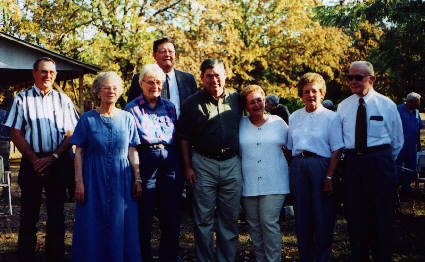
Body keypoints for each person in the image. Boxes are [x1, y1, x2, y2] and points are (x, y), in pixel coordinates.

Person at [4, 57, 79, 262]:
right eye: (44, 71)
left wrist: (54, 157)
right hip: (31, 162)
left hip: (59, 161)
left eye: (52, 72)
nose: (48, 76)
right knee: (29, 214)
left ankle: (55, 256)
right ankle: (25, 256)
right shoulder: (22, 98)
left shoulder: (63, 99)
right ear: (34, 73)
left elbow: (72, 132)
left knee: (57, 214)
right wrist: (35, 160)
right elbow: (15, 132)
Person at [71, 72, 142, 262]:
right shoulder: (87, 119)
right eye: (106, 87)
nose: (111, 91)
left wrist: (137, 178)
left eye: (115, 88)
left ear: (120, 92)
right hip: (93, 178)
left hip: (122, 179)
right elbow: (79, 152)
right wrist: (79, 183)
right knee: (92, 222)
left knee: (121, 222)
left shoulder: (128, 118)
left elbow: (132, 149)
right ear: (98, 92)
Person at [177, 58, 242, 262]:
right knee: (203, 220)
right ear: (202, 78)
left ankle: (226, 259)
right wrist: (188, 168)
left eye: (217, 75)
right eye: (209, 75)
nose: (214, 79)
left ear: (225, 75)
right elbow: (184, 138)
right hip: (203, 164)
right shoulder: (191, 103)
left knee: (229, 219)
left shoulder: (237, 99)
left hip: (232, 163)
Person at [337, 61, 403, 262]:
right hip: (352, 166)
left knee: (381, 219)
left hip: (379, 165)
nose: (353, 81)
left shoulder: (387, 105)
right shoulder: (343, 106)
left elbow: (397, 141)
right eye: (350, 77)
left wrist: (380, 162)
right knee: (355, 219)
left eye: (359, 77)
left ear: (372, 79)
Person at [125, 64, 182, 262]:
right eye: (150, 82)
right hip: (146, 158)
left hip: (170, 159)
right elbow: (131, 144)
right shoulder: (131, 108)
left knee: (171, 214)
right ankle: (143, 256)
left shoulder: (169, 106)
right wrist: (137, 176)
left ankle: (170, 256)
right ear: (141, 83)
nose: (155, 86)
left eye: (158, 82)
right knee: (144, 214)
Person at [287, 72, 344, 262]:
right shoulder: (294, 116)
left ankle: (322, 257)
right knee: (302, 216)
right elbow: (288, 147)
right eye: (306, 91)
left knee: (323, 216)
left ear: (322, 94)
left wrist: (329, 177)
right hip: (298, 166)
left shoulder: (331, 117)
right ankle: (306, 257)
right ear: (300, 94)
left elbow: (337, 149)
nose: (310, 95)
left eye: (314, 91)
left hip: (321, 166)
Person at [239, 85, 290, 262]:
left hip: (275, 182)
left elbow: (290, 149)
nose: (256, 105)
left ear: (265, 101)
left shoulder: (278, 122)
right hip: (249, 183)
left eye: (259, 100)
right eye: (251, 102)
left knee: (269, 223)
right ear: (246, 107)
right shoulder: (240, 124)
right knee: (254, 226)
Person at [127, 38, 197, 115]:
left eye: (170, 51)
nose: (167, 55)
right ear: (154, 55)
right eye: (163, 51)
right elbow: (130, 110)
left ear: (175, 55)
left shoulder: (188, 80)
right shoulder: (141, 79)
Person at [396, 92, 422, 192]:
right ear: (410, 102)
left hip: (412, 144)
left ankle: (406, 187)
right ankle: (395, 186)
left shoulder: (416, 112)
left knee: (411, 165)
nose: (419, 104)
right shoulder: (398, 110)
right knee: (397, 164)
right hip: (400, 143)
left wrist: (418, 142)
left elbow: (418, 127)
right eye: (417, 102)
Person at [0, 95, 10, 172]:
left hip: (4, 141)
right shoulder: (6, 114)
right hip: (4, 142)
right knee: (5, 166)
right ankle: (7, 182)